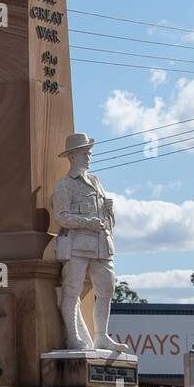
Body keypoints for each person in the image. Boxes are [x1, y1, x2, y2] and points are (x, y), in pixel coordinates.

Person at [51, 133, 128, 353]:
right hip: (77, 245)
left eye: (89, 153)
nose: (89, 157)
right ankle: (73, 336)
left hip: (102, 245)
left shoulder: (96, 182)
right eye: (84, 153)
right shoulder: (64, 185)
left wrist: (108, 211)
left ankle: (101, 336)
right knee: (72, 290)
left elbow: (104, 216)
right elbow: (62, 217)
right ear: (72, 156)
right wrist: (88, 222)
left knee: (107, 289)